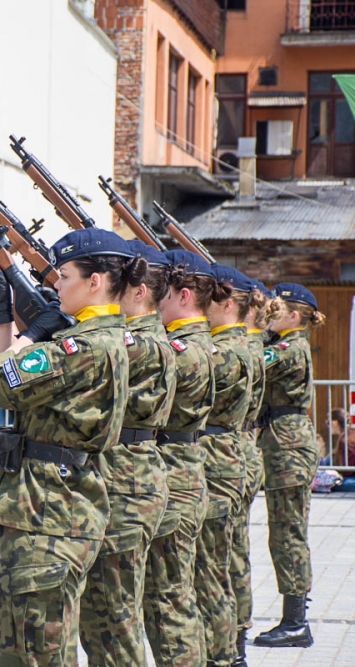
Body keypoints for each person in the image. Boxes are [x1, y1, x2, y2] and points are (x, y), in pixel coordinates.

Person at [0, 228, 137, 667]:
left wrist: (23, 332)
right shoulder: (104, 340)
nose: (57, 285)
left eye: (64, 276)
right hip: (59, 508)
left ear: (96, 281)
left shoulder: (77, 348)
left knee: (35, 653)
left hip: (47, 516)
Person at [79, 240, 174, 667]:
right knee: (108, 615)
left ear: (137, 291)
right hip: (129, 479)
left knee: (115, 616)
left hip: (125, 484)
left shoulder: (135, 344)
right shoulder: (142, 339)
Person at [142, 249, 218, 667]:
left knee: (169, 600)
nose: (157, 302)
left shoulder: (182, 349)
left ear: (184, 296)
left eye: (162, 293)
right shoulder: (196, 343)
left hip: (175, 478)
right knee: (174, 595)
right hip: (182, 472)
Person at [252, 282, 325, 649]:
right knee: (285, 532)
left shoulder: (289, 348)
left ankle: (296, 622)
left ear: (294, 316)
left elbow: (252, 364)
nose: (269, 313)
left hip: (288, 448)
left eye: (276, 308)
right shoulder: (284, 344)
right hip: (282, 444)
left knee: (287, 534)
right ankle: (295, 618)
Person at [196, 264, 252, 667]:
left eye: (209, 299)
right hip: (224, 458)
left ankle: (225, 655)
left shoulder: (226, 351)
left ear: (228, 304)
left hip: (217, 463)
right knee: (220, 565)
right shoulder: (237, 346)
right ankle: (230, 651)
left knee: (211, 572)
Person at [230, 278, 272, 666]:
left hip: (233, 450)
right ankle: (236, 640)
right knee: (235, 552)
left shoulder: (242, 347)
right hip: (243, 449)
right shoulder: (253, 346)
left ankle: (234, 642)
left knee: (229, 557)